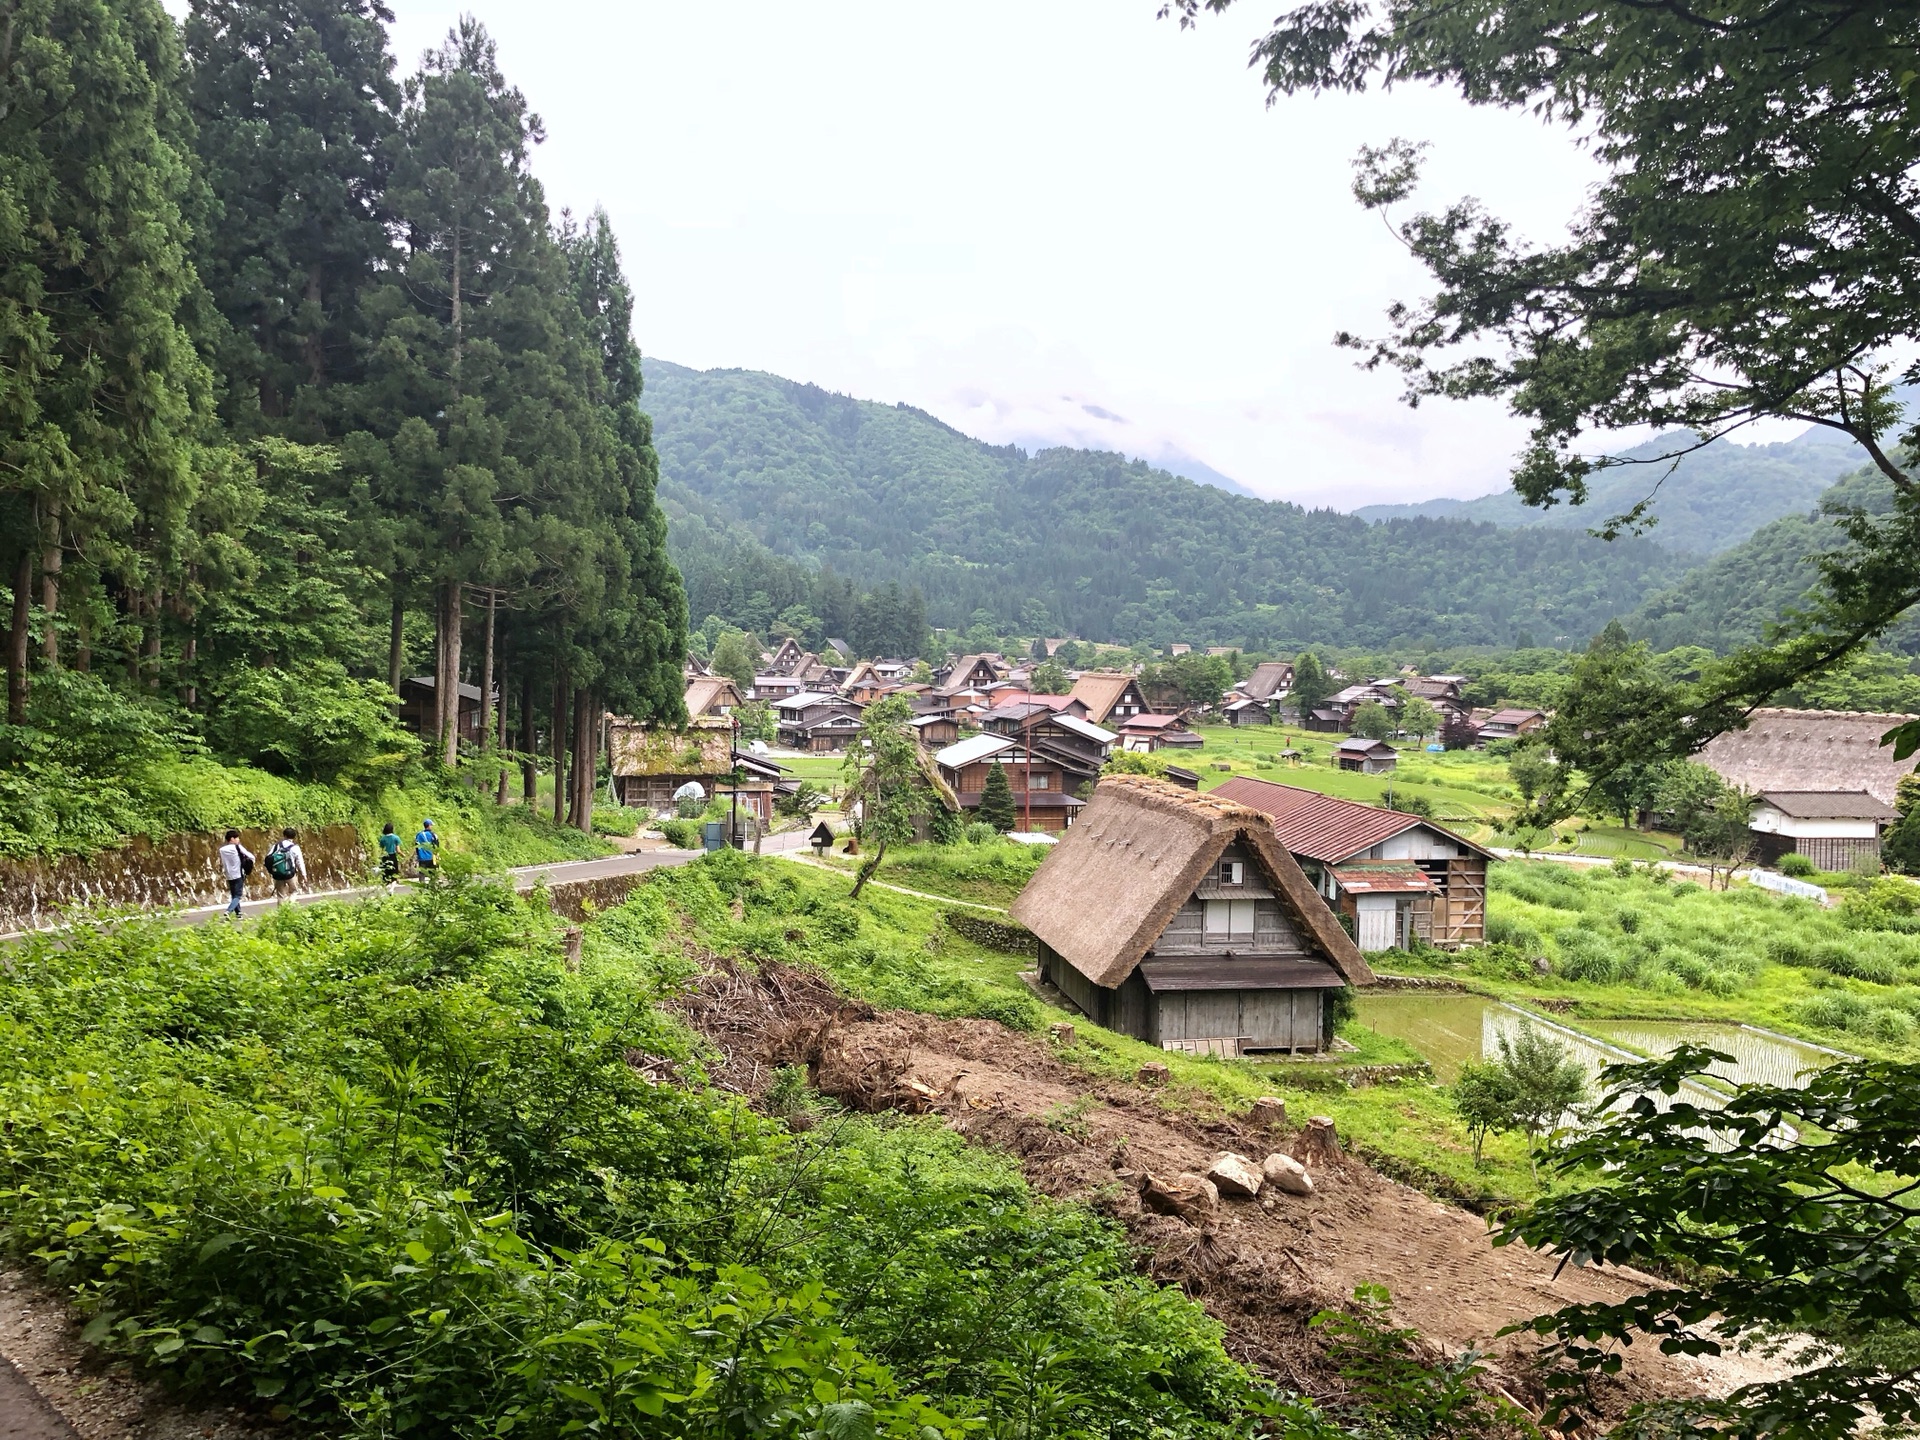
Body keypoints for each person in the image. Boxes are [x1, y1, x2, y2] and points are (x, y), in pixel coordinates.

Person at [263, 827, 307, 905]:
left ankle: (281, 913)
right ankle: (290, 905)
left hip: (278, 873)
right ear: (294, 837)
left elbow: (268, 858)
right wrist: (304, 874)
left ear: (284, 835)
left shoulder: (276, 846)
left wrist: (271, 871)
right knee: (294, 891)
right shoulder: (295, 847)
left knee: (280, 895)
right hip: (290, 874)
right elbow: (300, 862)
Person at [217, 829, 253, 918]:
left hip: (229, 874)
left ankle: (238, 913)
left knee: (234, 894)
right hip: (238, 873)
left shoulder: (222, 850)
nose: (238, 840)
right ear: (232, 839)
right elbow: (251, 856)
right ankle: (228, 911)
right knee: (238, 895)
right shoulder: (237, 847)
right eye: (237, 838)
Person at [378, 822, 402, 888]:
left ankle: (384, 890)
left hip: (385, 857)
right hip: (392, 856)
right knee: (394, 874)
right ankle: (392, 889)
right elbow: (398, 851)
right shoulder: (396, 838)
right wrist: (403, 855)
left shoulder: (382, 839)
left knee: (385, 874)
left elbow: (381, 850)